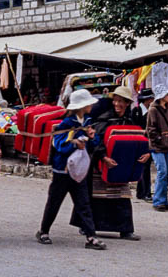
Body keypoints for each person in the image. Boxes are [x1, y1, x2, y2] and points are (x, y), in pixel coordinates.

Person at [36, 89, 106, 250]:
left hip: (79, 170)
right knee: (54, 202)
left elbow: (93, 145)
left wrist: (92, 138)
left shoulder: (88, 121)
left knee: (84, 204)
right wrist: (74, 143)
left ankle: (91, 237)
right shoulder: (66, 124)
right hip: (62, 170)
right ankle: (43, 231)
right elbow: (59, 145)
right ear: (82, 106)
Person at [78, 86, 147, 241]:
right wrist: (103, 157)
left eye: (121, 101)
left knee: (122, 197)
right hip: (101, 164)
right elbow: (97, 140)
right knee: (96, 196)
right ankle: (89, 226)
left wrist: (145, 153)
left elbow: (138, 139)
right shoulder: (104, 119)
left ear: (128, 103)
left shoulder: (130, 120)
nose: (117, 104)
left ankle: (125, 230)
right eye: (115, 100)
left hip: (120, 166)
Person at [145, 85, 168, 212]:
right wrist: (158, 139)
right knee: (162, 172)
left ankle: (164, 199)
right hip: (157, 146)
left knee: (166, 174)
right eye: (167, 94)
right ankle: (158, 200)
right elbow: (150, 129)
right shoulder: (153, 110)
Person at [132, 88, 154, 201]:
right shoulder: (136, 111)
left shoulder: (150, 111)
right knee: (143, 168)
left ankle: (142, 191)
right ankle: (145, 192)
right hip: (139, 142)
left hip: (147, 142)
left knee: (145, 167)